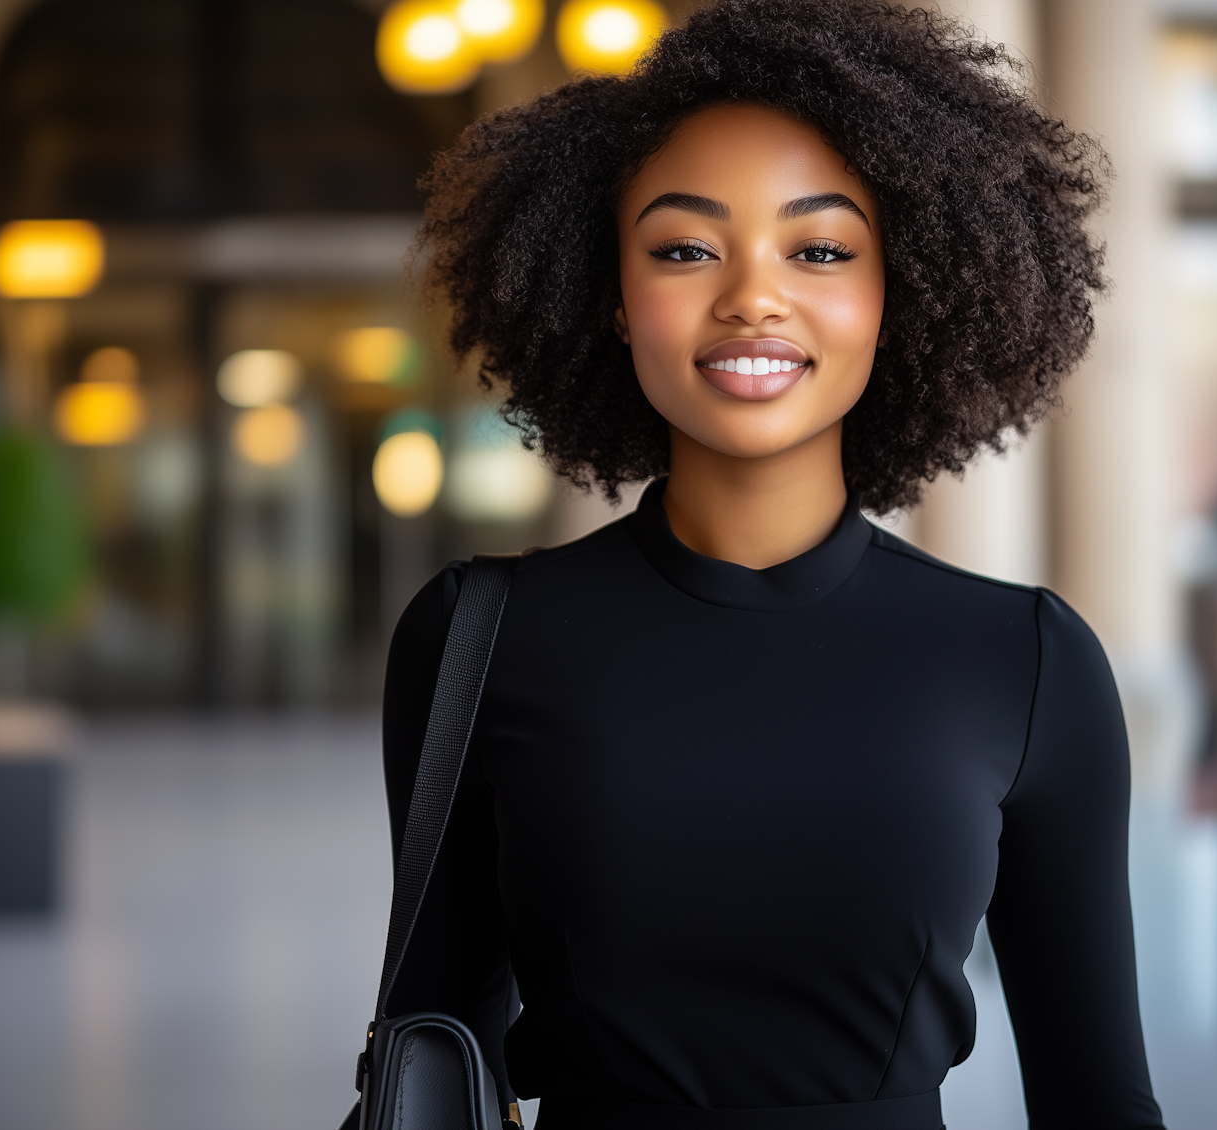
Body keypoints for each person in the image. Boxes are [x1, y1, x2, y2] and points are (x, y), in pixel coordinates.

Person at [382, 2, 1165, 1127]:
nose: (752, 294)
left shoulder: (1029, 659)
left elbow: (1100, 1098)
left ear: (903, 289)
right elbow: (430, 1057)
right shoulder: (475, 638)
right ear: (609, 297)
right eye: (686, 248)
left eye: (821, 249)